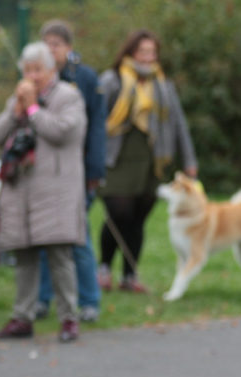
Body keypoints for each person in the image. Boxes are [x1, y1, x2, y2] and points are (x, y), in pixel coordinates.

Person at [0, 42, 87, 343]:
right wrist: (15, 111)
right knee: (24, 255)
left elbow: (61, 131)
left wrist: (32, 110)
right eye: (27, 70)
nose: (32, 76)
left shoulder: (69, 97)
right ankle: (22, 318)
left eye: (38, 70)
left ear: (51, 70)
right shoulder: (18, 99)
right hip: (22, 190)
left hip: (55, 190)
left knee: (60, 255)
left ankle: (69, 318)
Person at [97, 28, 197, 293]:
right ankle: (104, 268)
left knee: (138, 217)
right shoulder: (112, 80)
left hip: (151, 160)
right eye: (143, 51)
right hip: (117, 158)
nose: (148, 57)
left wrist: (189, 160)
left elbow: (178, 124)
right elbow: (95, 118)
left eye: (152, 52)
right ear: (130, 52)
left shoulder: (162, 84)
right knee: (119, 213)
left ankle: (130, 276)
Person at [34, 20, 105, 323]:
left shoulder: (85, 79)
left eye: (57, 44)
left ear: (69, 47)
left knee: (78, 240)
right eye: (47, 43)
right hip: (42, 174)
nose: (52, 50)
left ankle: (89, 301)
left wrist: (95, 169)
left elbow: (96, 129)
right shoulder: (35, 77)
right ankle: (42, 299)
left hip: (76, 173)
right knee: (43, 240)